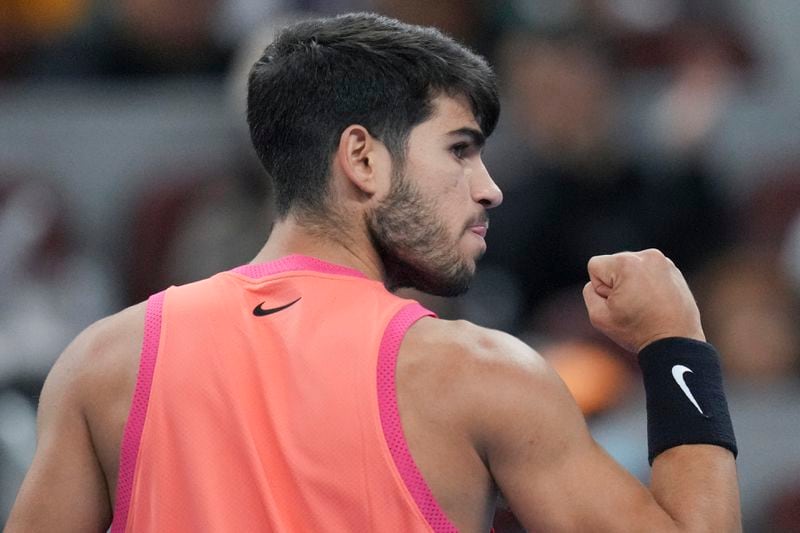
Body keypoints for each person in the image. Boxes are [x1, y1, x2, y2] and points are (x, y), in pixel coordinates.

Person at [6, 12, 740, 532]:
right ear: (362, 158)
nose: (489, 187)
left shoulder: (103, 364)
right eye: (459, 149)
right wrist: (676, 344)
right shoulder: (478, 374)